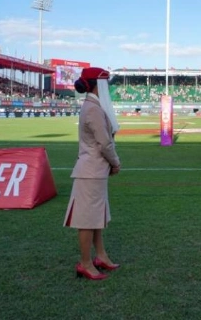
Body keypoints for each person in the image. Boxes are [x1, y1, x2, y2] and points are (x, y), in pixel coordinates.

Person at [64, 67, 121, 280]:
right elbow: (105, 143)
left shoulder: (93, 106)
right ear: (98, 85)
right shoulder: (94, 109)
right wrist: (115, 163)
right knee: (88, 219)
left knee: (97, 216)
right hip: (91, 171)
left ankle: (101, 256)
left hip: (94, 170)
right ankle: (86, 263)